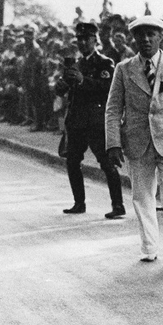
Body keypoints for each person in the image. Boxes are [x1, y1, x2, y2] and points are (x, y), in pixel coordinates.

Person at [105, 15, 163, 260]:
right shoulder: (124, 69)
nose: (146, 39)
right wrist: (113, 143)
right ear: (134, 39)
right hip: (137, 142)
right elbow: (113, 108)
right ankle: (149, 247)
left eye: (151, 34)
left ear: (161, 37)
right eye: (141, 35)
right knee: (142, 196)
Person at [54, 22, 125, 218]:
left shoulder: (105, 63)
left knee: (107, 163)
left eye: (87, 39)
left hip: (95, 120)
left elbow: (107, 88)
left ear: (95, 40)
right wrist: (62, 85)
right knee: (72, 161)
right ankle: (79, 202)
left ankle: (118, 205)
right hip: (76, 120)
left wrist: (83, 80)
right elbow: (64, 91)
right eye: (80, 39)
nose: (83, 43)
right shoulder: (76, 64)